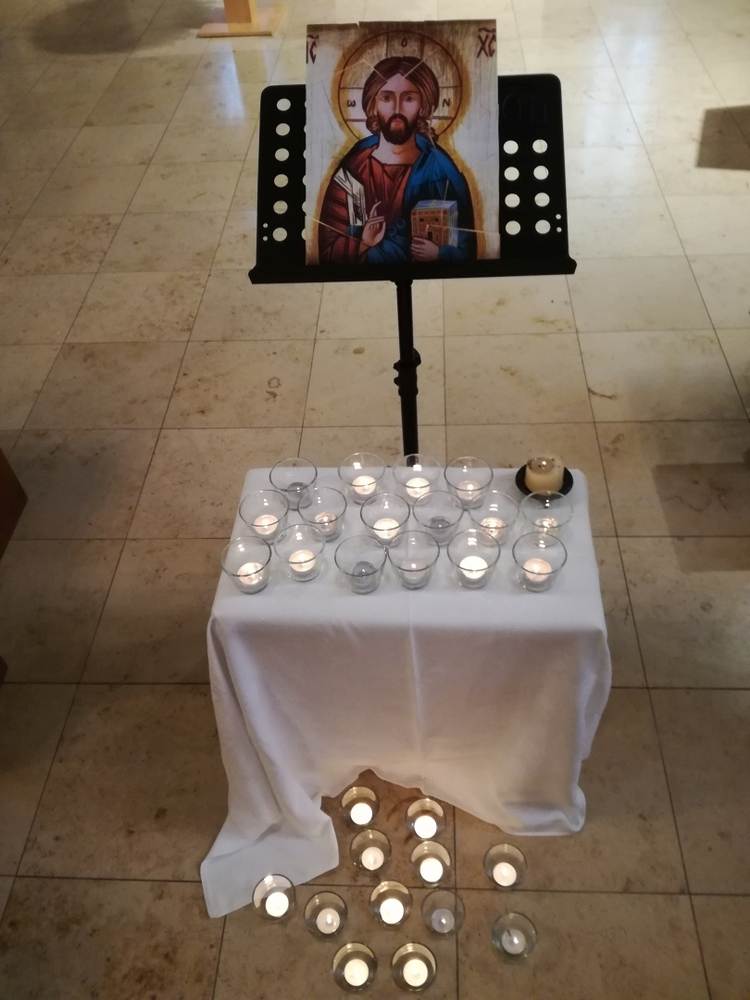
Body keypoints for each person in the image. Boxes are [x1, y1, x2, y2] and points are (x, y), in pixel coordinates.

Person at [318, 55, 476, 264]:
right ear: (373, 106)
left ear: (423, 106)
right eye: (386, 98)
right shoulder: (354, 171)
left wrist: (439, 254)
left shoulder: (440, 171)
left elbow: (468, 248)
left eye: (408, 98)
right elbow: (328, 248)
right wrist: (364, 243)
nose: (397, 109)